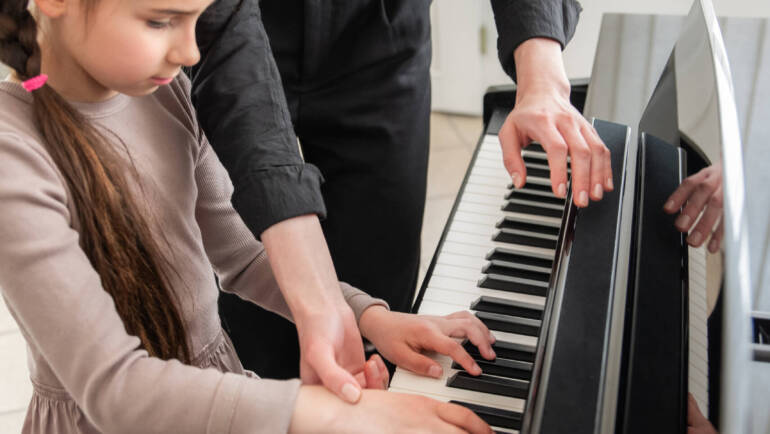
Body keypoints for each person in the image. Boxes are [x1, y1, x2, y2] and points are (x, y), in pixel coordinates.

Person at [0, 0, 499, 432]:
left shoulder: (164, 92)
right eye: (160, 20)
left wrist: (366, 316)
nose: (191, 53)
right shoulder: (12, 158)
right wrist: (329, 415)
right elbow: (117, 390)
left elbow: (242, 255)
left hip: (216, 391)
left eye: (198, 19)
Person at [189, 0, 614, 384]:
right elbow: (242, 255)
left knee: (382, 287)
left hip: (381, 37)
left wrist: (541, 77)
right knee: (257, 315)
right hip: (230, 36)